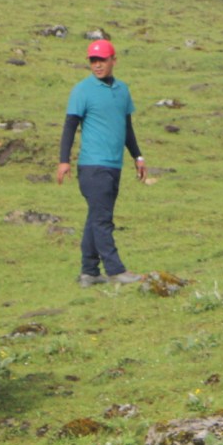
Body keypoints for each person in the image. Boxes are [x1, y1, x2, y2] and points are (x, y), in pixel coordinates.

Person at [56, 39, 148, 285]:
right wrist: (63, 160)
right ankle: (115, 270)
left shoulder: (122, 90)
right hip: (93, 166)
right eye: (93, 61)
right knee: (102, 219)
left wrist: (137, 156)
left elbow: (126, 127)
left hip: (114, 165)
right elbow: (70, 126)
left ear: (113, 61)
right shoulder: (82, 90)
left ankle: (89, 272)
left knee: (96, 217)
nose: (97, 65)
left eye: (102, 60)